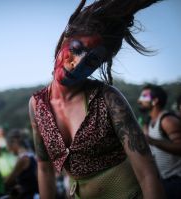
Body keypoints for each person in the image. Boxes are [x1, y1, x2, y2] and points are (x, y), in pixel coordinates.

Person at [28, 0, 166, 198]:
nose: (77, 63)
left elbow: (147, 173)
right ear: (65, 39)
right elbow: (44, 168)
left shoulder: (108, 99)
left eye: (92, 61)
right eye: (76, 48)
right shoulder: (37, 105)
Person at [138, 84, 181, 198]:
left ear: (155, 100)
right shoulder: (150, 122)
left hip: (176, 181)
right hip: (163, 181)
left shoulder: (167, 121)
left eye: (144, 96)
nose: (139, 100)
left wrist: (152, 141)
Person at [4, 128, 38, 199]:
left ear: (14, 143)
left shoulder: (23, 159)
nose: (9, 150)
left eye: (9, 146)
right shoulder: (30, 153)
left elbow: (9, 180)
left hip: (31, 195)